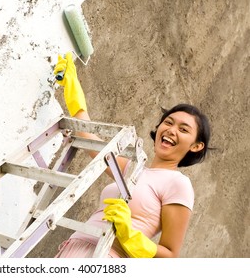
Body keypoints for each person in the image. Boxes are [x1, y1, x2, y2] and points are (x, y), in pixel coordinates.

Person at [53, 52, 211, 258]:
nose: (172, 130)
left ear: (196, 146)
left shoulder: (178, 184)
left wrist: (131, 237)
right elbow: (90, 138)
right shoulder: (132, 171)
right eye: (169, 122)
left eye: (183, 129)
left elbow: (170, 255)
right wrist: (72, 87)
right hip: (75, 248)